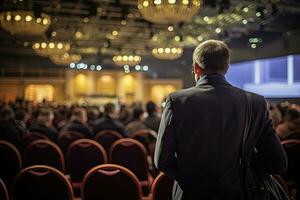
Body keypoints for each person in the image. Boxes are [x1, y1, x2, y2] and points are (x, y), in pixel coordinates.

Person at [154, 40, 287, 200]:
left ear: (196, 67)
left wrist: (190, 177)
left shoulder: (177, 101)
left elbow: (162, 161)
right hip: (240, 193)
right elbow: (278, 162)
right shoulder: (256, 103)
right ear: (227, 67)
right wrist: (243, 170)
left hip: (191, 194)